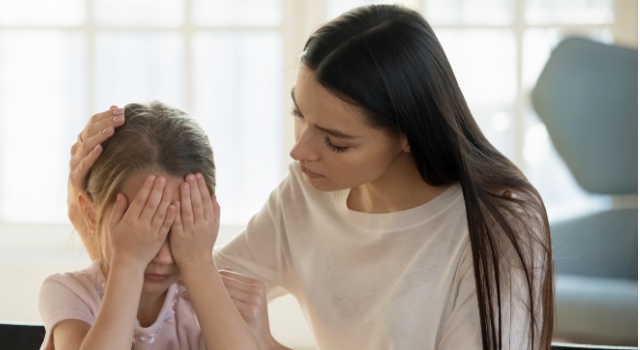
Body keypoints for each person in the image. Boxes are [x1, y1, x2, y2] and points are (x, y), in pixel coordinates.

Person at [67, 4, 554, 349]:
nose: (299, 151)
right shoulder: (308, 193)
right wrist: (86, 213)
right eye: (299, 115)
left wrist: (266, 346)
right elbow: (177, 296)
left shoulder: (500, 225)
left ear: (408, 135)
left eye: (335, 141)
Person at [40, 101, 260, 350]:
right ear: (91, 216)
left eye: (179, 230)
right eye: (143, 230)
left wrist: (198, 262)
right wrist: (129, 262)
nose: (164, 257)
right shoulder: (70, 293)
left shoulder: (201, 298)